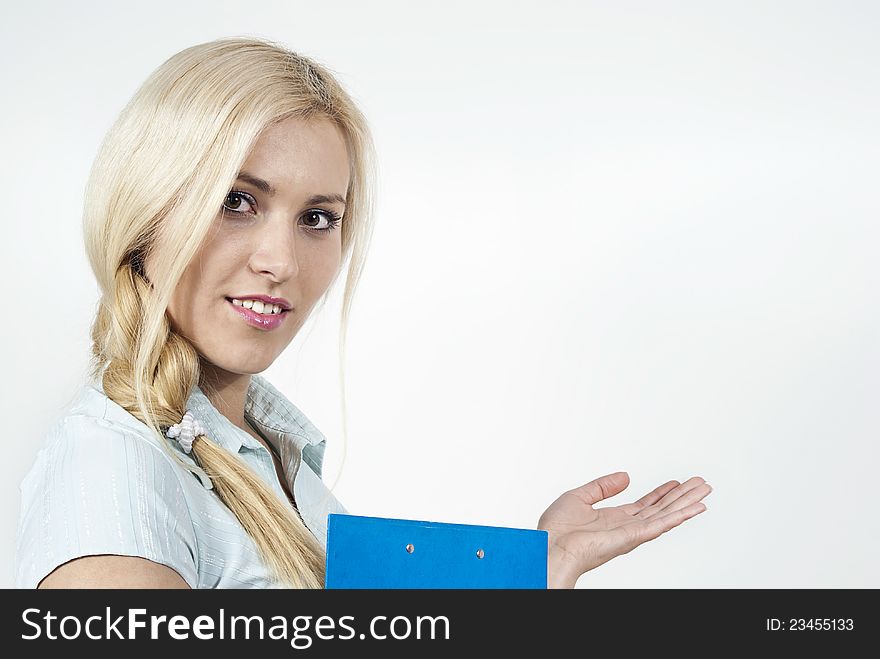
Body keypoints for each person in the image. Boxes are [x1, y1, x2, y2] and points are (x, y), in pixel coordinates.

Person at [14, 36, 711, 589]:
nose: (280, 261)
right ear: (144, 209)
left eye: (317, 217)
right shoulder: (112, 473)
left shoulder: (268, 452)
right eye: (236, 201)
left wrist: (527, 576)